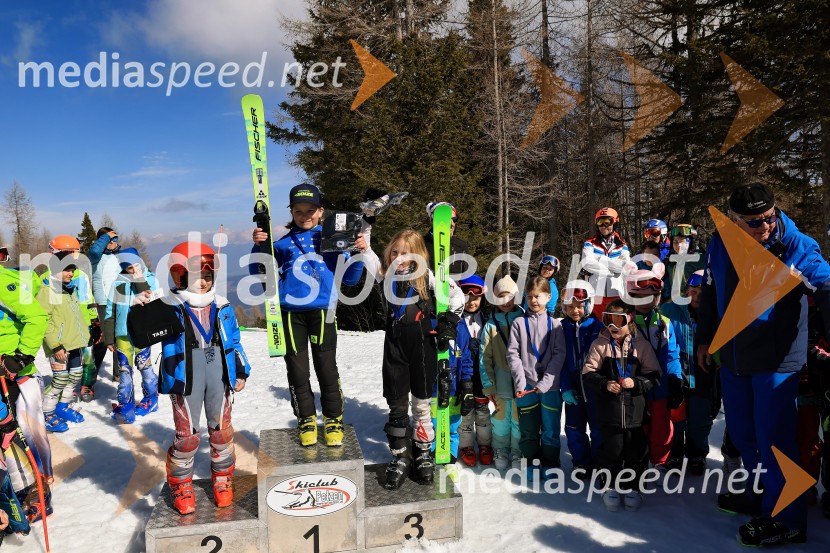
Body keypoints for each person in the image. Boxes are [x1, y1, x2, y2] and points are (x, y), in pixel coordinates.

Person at [697, 184, 830, 546]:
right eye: (753, 222)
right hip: (736, 358)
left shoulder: (796, 246)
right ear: (734, 220)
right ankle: (763, 494)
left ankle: (788, 519)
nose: (764, 227)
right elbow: (710, 291)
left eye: (769, 218)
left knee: (775, 441)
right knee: (744, 435)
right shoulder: (721, 242)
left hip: (777, 360)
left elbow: (826, 287)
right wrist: (705, 339)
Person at [251, 183, 365, 447]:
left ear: (321, 211)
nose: (304, 216)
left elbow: (349, 278)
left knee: (327, 368)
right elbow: (260, 273)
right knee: (298, 371)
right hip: (291, 314)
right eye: (298, 211)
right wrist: (260, 246)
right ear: (292, 212)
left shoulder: (331, 239)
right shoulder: (282, 244)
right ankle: (306, 419)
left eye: (310, 210)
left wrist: (356, 251)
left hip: (324, 311)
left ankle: (333, 418)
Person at [362, 229, 465, 489]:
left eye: (406, 254)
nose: (399, 258)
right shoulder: (384, 274)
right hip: (394, 347)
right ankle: (400, 455)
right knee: (397, 404)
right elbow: (366, 251)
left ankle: (422, 453)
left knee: (421, 405)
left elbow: (457, 296)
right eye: (394, 252)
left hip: (422, 345)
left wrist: (449, 323)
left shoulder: (426, 276)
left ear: (418, 255)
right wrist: (367, 224)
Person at [161, 241, 251, 514]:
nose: (204, 282)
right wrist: (140, 307)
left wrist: (241, 369)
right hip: (185, 373)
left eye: (208, 276)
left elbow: (233, 340)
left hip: (217, 369)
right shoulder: (169, 306)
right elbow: (139, 333)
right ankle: (180, 482)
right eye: (198, 276)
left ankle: (223, 478)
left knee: (221, 430)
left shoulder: (222, 305)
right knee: (188, 435)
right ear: (180, 276)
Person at [582, 299, 661, 512]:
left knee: (636, 452)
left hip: (635, 413)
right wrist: (604, 384)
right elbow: (588, 374)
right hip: (610, 413)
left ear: (630, 320)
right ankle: (610, 487)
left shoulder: (641, 345)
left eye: (619, 321)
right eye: (609, 320)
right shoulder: (600, 345)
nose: (613, 327)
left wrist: (636, 383)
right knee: (612, 452)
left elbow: (654, 375)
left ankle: (633, 488)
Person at [0, 254, 52, 522]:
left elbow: (36, 317)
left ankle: (36, 492)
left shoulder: (2, 282)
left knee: (19, 434)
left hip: (14, 374)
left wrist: (20, 356)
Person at [507, 276, 566, 478]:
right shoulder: (519, 323)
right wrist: (521, 382)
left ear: (548, 297)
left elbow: (559, 354)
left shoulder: (556, 324)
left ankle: (550, 461)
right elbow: (513, 354)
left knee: (550, 427)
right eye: (530, 296)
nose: (534, 301)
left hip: (550, 387)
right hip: (526, 388)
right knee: (529, 428)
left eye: (538, 296)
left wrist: (547, 381)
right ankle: (532, 461)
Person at [625, 268, 683, 470]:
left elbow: (672, 354)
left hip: (661, 388)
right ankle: (639, 463)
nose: (646, 302)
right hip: (636, 388)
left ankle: (660, 462)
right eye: (640, 297)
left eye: (651, 297)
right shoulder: (626, 324)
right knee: (639, 428)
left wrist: (676, 379)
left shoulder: (665, 324)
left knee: (662, 428)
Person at [662, 270, 718, 474]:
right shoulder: (670, 310)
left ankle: (697, 453)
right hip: (677, 373)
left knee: (700, 418)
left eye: (703, 293)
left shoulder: (716, 312)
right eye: (693, 291)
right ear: (686, 291)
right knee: (675, 417)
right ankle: (674, 452)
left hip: (704, 374)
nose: (697, 297)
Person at [103, 248, 159, 424]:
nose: (134, 270)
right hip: (123, 334)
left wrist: (139, 278)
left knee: (145, 366)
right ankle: (126, 403)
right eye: (130, 268)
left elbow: (149, 298)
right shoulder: (118, 283)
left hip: (143, 332)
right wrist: (109, 337)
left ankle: (151, 398)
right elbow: (110, 311)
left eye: (137, 265)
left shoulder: (150, 279)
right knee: (124, 370)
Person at [36, 251, 91, 430]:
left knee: (75, 376)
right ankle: (47, 412)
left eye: (72, 270)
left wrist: (88, 333)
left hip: (74, 342)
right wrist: (55, 345)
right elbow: (44, 322)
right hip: (59, 346)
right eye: (67, 270)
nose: (71, 273)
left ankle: (62, 406)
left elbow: (75, 317)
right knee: (60, 379)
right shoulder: (47, 291)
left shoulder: (69, 289)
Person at [480, 276, 524, 471]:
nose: (505, 302)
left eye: (509, 297)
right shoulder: (490, 326)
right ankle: (500, 449)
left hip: (522, 383)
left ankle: (516, 450)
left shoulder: (523, 320)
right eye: (501, 297)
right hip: (500, 382)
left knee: (518, 420)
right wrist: (488, 384)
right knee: (500, 420)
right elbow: (484, 357)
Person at [558, 286, 603, 476]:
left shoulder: (598, 327)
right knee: (574, 428)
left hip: (594, 386)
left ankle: (600, 462)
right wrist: (566, 387)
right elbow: (559, 361)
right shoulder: (561, 328)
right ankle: (581, 462)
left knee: (598, 428)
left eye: (579, 306)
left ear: (589, 304)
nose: (575, 310)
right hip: (573, 384)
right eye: (570, 307)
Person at [457, 275, 493, 466]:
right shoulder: (455, 319)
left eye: (476, 298)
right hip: (463, 375)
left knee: (482, 410)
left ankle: (485, 444)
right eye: (467, 297)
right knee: (466, 411)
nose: (471, 302)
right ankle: (466, 445)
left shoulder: (488, 319)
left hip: (482, 375)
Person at [84, 227, 122, 401]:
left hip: (119, 302)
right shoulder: (94, 257)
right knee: (101, 343)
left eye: (115, 239)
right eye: (110, 240)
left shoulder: (119, 256)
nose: (113, 243)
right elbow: (94, 250)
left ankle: (119, 375)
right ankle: (88, 383)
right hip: (102, 302)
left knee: (120, 338)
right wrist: (106, 237)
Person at [581, 207, 631, 317]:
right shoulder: (590, 243)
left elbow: (625, 266)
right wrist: (610, 271)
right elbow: (587, 263)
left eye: (607, 221)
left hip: (616, 295)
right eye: (600, 222)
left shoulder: (622, 246)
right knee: (596, 330)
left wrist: (599, 258)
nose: (604, 226)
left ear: (615, 223)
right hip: (595, 295)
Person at [423, 202, 470, 276]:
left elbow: (467, 278)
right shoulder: (420, 244)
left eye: (454, 219)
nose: (452, 224)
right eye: (446, 219)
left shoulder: (460, 245)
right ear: (432, 221)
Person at [662, 224, 704, 303]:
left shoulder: (701, 261)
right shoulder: (670, 262)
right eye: (675, 241)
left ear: (691, 242)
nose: (678, 245)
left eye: (682, 241)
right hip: (675, 306)